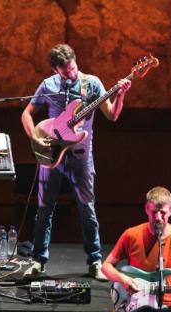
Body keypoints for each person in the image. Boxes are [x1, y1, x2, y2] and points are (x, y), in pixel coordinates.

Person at [21, 43, 130, 279]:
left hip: (81, 158)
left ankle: (95, 261)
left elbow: (112, 115)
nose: (71, 73)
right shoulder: (48, 86)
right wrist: (35, 139)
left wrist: (121, 94)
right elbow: (26, 113)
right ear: (55, 71)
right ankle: (38, 260)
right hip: (51, 156)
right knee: (43, 210)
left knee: (87, 210)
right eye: (65, 71)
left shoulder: (91, 83)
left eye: (72, 67)